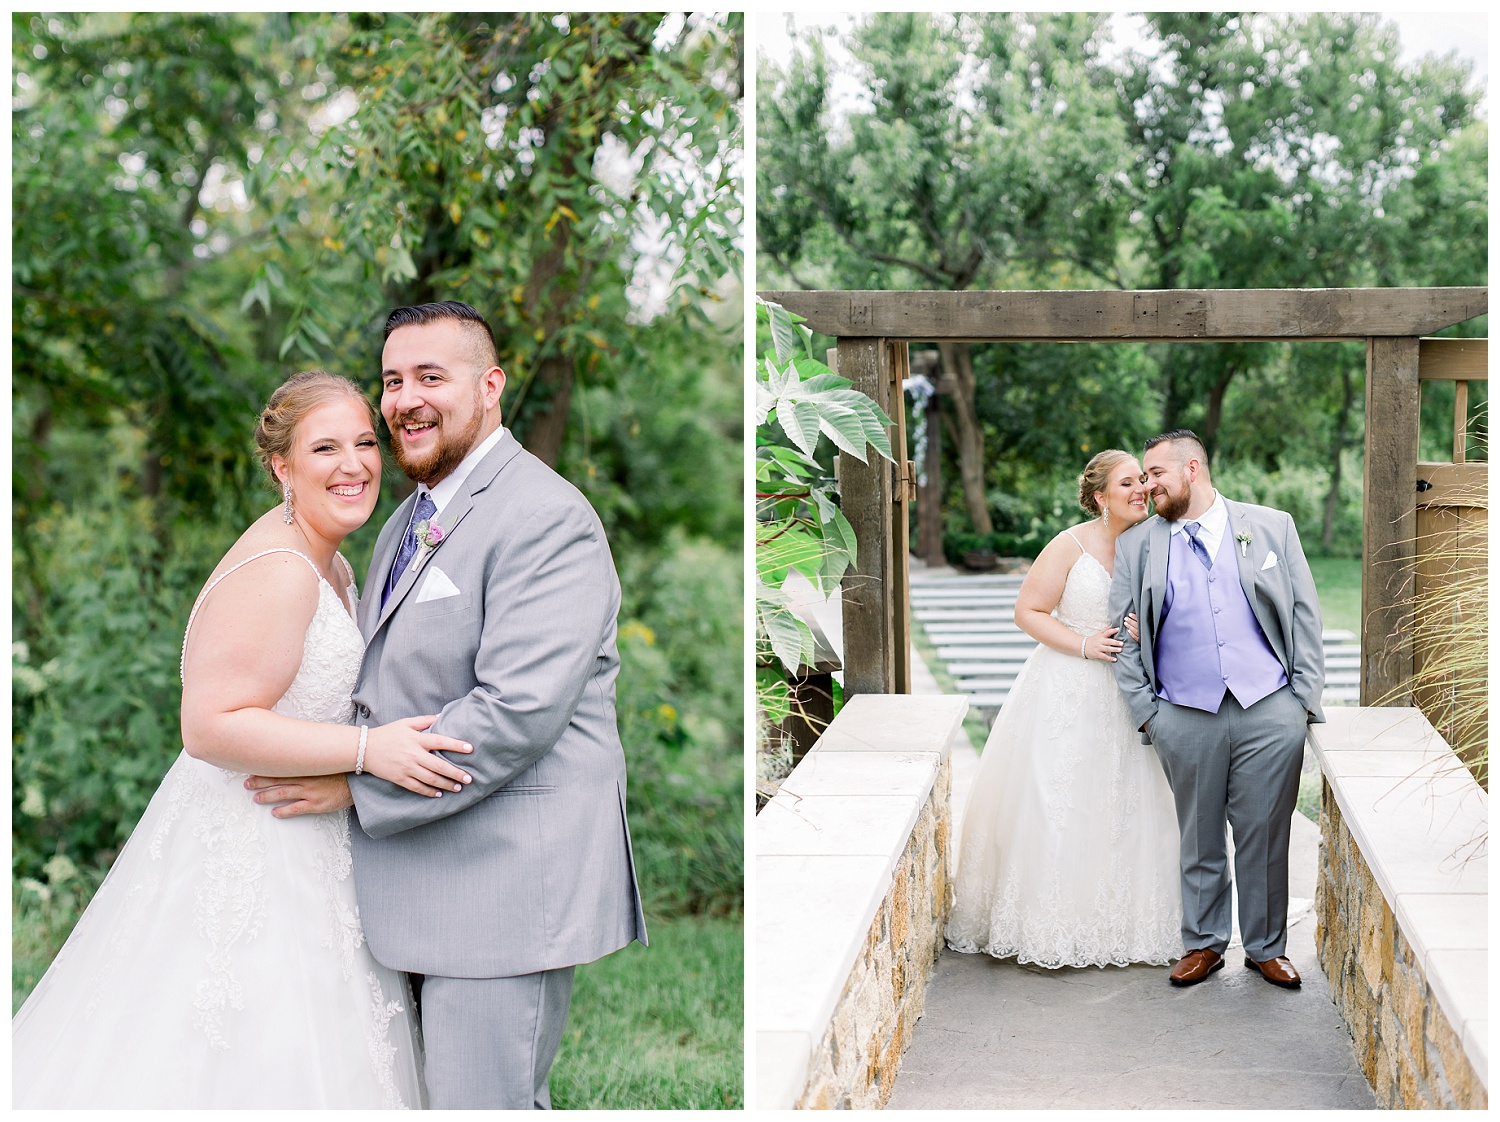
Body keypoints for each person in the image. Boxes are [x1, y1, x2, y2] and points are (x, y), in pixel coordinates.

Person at [11, 371, 479, 1108]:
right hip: (252, 846)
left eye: (364, 442)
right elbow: (210, 725)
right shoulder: (282, 571)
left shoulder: (333, 560)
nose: (353, 464)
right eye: (324, 447)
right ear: (281, 466)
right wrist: (367, 752)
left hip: (307, 835)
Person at [245, 301, 648, 1110]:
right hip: (421, 876)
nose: (405, 399)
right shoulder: (404, 520)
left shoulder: (547, 518)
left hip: (502, 885)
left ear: (491, 385)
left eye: (432, 375)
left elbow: (515, 713)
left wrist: (354, 785)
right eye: (394, 380)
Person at [946, 450, 1183, 969]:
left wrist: (1148, 632)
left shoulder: (1157, 542)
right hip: (1068, 689)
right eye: (1127, 483)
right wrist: (1082, 644)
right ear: (1101, 497)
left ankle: (1125, 923)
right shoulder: (1070, 544)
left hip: (1131, 695)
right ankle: (1051, 923)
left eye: (1143, 480)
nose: (1141, 489)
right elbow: (1026, 611)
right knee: (1059, 801)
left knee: (1129, 806)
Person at [1108, 430, 1324, 989]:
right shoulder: (1139, 545)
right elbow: (1123, 637)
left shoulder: (1271, 526)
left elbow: (1304, 614)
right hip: (1182, 709)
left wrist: (1301, 702)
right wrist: (1148, 713)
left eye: (1156, 474)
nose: (1147, 486)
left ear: (1193, 469)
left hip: (1269, 708)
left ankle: (1266, 947)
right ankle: (1203, 944)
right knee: (1198, 835)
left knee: (1265, 832)